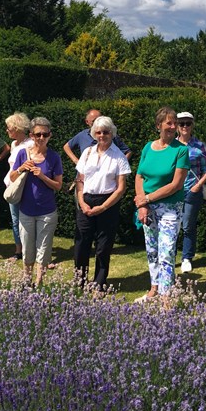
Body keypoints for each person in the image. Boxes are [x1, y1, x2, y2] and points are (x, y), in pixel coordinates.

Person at [134, 107, 190, 303]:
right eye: (169, 123)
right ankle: (154, 288)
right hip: (147, 207)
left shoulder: (181, 150)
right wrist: (142, 204)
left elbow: (176, 185)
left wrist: (147, 199)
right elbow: (139, 175)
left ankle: (166, 297)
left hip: (170, 208)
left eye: (175, 123)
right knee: (152, 249)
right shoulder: (148, 147)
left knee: (166, 251)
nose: (173, 126)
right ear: (158, 125)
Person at [72, 115, 130, 291]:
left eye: (106, 132)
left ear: (112, 133)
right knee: (81, 243)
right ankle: (80, 281)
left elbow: (121, 188)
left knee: (103, 246)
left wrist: (103, 207)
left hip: (108, 203)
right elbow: (80, 180)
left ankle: (99, 283)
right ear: (94, 133)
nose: (102, 135)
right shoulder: (87, 153)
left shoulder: (119, 156)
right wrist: (81, 201)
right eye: (98, 132)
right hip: (86, 200)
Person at [9, 117, 65, 286]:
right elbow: (12, 178)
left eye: (45, 134)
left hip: (47, 211)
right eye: (38, 134)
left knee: (44, 248)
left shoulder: (54, 157)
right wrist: (21, 168)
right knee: (27, 248)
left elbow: (58, 186)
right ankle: (27, 279)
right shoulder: (22, 154)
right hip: (26, 210)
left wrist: (42, 176)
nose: (41, 138)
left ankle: (39, 281)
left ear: (50, 135)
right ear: (32, 135)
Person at [175, 112, 206, 275]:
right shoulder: (170, 146)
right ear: (176, 126)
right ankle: (169, 256)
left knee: (188, 226)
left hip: (191, 190)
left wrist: (198, 185)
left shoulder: (199, 145)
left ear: (192, 125)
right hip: (173, 192)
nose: (184, 127)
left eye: (187, 123)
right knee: (172, 226)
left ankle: (187, 258)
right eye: (181, 123)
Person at [0, 113, 31, 260]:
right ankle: (19, 250)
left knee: (27, 219)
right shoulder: (14, 144)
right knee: (15, 219)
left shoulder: (30, 144)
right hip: (12, 185)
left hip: (24, 186)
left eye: (9, 128)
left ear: (17, 128)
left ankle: (30, 249)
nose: (7, 130)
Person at [63, 108, 127, 166]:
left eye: (99, 119)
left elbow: (127, 151)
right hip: (85, 175)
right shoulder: (82, 136)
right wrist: (76, 161)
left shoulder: (110, 135)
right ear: (87, 122)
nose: (97, 123)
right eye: (94, 121)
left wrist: (119, 165)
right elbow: (66, 147)